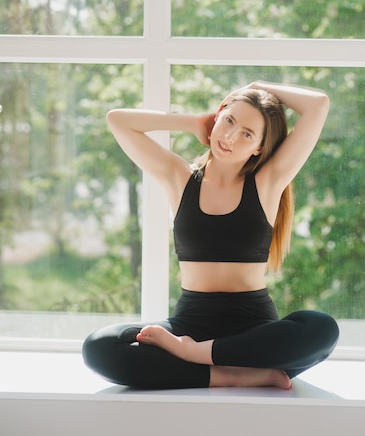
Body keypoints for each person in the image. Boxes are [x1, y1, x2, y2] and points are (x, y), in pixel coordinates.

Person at [82, 80, 339, 390]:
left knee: (322, 329)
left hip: (252, 328)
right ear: (217, 116)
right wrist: (191, 122)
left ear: (259, 146)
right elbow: (118, 120)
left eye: (247, 134)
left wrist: (257, 86)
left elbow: (318, 105)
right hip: (190, 323)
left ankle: (196, 356)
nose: (230, 137)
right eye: (229, 120)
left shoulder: (268, 182)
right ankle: (233, 374)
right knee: (100, 347)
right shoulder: (180, 178)